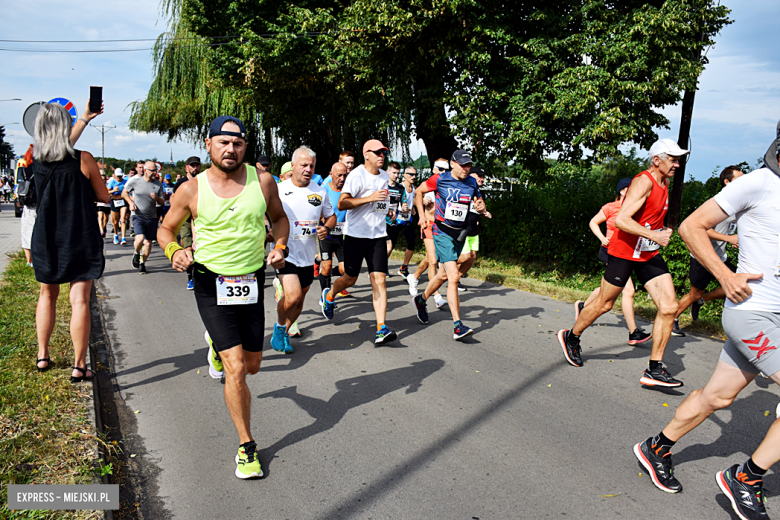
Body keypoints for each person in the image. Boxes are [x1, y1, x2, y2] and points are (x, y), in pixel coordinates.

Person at [633, 134, 780, 520]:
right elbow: (690, 227)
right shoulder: (759, 182)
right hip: (752, 313)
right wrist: (725, 276)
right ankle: (746, 478)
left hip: (777, 318)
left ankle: (657, 447)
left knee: (718, 397)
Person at [158, 115, 289, 479]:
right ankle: (247, 447)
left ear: (245, 146)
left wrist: (280, 245)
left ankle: (217, 347)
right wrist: (173, 251)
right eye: (223, 142)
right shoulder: (191, 190)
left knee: (252, 366)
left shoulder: (262, 182)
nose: (230, 149)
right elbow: (166, 228)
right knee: (235, 370)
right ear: (208, 143)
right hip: (210, 282)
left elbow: (279, 219)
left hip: (251, 282)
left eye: (238, 143)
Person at [557, 138, 686, 388]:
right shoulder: (643, 181)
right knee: (604, 304)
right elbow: (622, 220)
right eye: (673, 159)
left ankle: (654, 369)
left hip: (647, 253)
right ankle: (571, 337)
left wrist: (659, 231)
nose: (677, 164)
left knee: (669, 307)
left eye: (679, 160)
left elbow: (648, 217)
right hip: (625, 251)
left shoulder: (665, 181)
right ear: (656, 160)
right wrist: (655, 235)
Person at [30, 102, 109, 379]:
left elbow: (57, 150)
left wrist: (85, 119)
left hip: (46, 236)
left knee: (47, 294)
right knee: (80, 301)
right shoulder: (84, 159)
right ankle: (79, 365)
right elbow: (104, 197)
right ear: (66, 126)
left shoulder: (37, 161)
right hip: (80, 235)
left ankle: (42, 355)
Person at [321, 139, 399, 345]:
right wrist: (370, 198)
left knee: (379, 280)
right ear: (367, 155)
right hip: (356, 236)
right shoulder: (356, 175)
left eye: (384, 153)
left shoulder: (384, 176)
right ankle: (329, 296)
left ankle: (381, 328)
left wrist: (387, 209)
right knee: (350, 279)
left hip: (378, 236)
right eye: (378, 153)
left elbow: (380, 202)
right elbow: (343, 202)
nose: (382, 156)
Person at [412, 150, 488, 340]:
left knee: (444, 274)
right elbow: (419, 192)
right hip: (442, 231)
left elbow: (478, 200)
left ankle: (421, 300)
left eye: (468, 165)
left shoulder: (471, 182)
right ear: (453, 163)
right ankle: (457, 325)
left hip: (459, 233)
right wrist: (421, 217)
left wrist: (481, 207)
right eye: (462, 165)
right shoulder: (439, 179)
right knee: (453, 276)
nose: (466, 168)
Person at [272, 146, 336, 353]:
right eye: (303, 165)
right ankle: (279, 328)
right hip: (285, 253)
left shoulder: (319, 190)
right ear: (293, 166)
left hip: (308, 256)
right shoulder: (279, 190)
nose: (308, 169)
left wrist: (326, 228)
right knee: (292, 296)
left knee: (299, 301)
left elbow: (331, 216)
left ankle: (284, 330)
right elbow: (264, 215)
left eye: (311, 165)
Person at [574, 177, 651, 345]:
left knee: (607, 289)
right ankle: (633, 333)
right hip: (611, 252)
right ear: (623, 191)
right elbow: (593, 222)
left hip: (628, 254)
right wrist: (602, 238)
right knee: (628, 290)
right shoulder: (611, 207)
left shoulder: (637, 210)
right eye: (631, 188)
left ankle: (583, 306)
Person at [672, 165, 743, 332]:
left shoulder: (738, 205)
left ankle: (702, 300)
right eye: (739, 180)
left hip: (721, 256)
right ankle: (671, 318)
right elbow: (701, 229)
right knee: (693, 294)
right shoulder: (718, 204)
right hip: (702, 257)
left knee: (737, 283)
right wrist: (728, 238)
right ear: (727, 182)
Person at [407, 159, 449, 310]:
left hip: (442, 227)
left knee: (431, 258)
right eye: (442, 169)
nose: (445, 172)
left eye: (447, 170)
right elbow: (417, 195)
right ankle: (437, 296)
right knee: (433, 261)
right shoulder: (428, 184)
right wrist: (421, 215)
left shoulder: (447, 185)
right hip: (428, 226)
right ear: (435, 170)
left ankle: (414, 276)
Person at [454, 165, 492, 292]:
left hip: (474, 230)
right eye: (479, 176)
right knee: (465, 256)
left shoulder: (481, 193)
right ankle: (444, 261)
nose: (481, 179)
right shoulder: (464, 189)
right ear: (471, 175)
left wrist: (484, 213)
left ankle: (456, 279)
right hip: (463, 228)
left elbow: (478, 210)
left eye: (483, 177)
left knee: (472, 257)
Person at [123, 161, 165, 274]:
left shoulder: (158, 184)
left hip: (151, 217)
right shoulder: (135, 181)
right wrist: (130, 203)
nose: (154, 173)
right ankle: (137, 253)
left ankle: (142, 262)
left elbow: (162, 202)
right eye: (152, 170)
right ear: (145, 170)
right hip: (138, 215)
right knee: (140, 239)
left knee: (148, 243)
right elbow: (124, 193)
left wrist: (156, 198)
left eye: (155, 170)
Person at [318, 162, 349, 297]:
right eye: (339, 175)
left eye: (345, 175)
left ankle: (330, 281)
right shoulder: (322, 190)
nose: (342, 178)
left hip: (342, 236)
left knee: (344, 270)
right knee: (326, 267)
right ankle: (325, 296)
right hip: (327, 236)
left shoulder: (348, 190)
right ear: (331, 175)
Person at [172, 156, 202, 289]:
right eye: (192, 165)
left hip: (199, 217)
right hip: (185, 218)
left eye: (197, 165)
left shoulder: (202, 181)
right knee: (188, 245)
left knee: (200, 246)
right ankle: (190, 277)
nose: (195, 168)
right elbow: (173, 200)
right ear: (187, 168)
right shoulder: (181, 183)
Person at [384, 161, 408, 271]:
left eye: (398, 173)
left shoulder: (400, 188)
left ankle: (382, 266)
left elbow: (404, 203)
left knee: (390, 247)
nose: (396, 175)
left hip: (393, 221)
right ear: (387, 172)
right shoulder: (382, 186)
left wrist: (404, 208)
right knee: (387, 247)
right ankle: (380, 268)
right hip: (382, 221)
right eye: (394, 173)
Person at [396, 166, 418, 278]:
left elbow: (413, 200)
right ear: (405, 175)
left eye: (415, 175)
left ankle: (404, 267)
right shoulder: (400, 187)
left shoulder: (414, 188)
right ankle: (381, 267)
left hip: (407, 219)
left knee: (411, 243)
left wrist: (413, 208)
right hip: (397, 219)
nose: (413, 177)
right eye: (410, 174)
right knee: (389, 246)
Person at [108, 168, 129, 245]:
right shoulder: (112, 182)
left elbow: (129, 190)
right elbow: (107, 191)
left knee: (123, 219)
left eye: (120, 176)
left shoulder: (125, 182)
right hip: (115, 201)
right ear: (115, 175)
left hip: (123, 201)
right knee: (115, 221)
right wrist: (114, 190)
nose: (119, 177)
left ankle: (123, 238)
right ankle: (116, 235)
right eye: (118, 176)